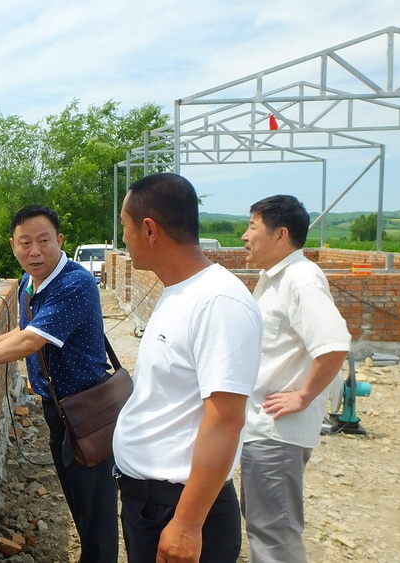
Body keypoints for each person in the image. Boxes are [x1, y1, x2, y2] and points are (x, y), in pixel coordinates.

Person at [0, 204, 118, 563]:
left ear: (60, 240)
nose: (34, 251)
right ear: (13, 245)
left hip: (87, 409)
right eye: (25, 243)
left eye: (43, 241)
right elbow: (28, 328)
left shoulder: (74, 283)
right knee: (77, 496)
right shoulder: (30, 281)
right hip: (58, 408)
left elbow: (31, 342)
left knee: (95, 507)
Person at [112, 172, 263, 563]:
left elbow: (226, 419)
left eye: (125, 228)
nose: (123, 239)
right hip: (154, 505)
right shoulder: (179, 291)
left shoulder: (217, 302)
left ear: (149, 230)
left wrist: (186, 524)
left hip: (179, 509)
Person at [240, 195, 350, 563]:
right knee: (264, 525)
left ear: (280, 234)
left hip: (277, 432)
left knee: (275, 535)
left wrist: (303, 396)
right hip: (262, 427)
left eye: (252, 227)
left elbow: (333, 345)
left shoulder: (301, 280)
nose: (244, 236)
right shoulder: (275, 278)